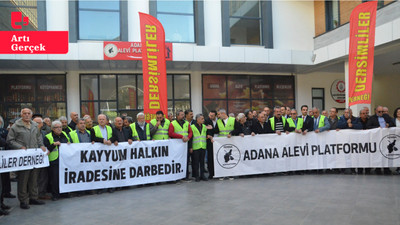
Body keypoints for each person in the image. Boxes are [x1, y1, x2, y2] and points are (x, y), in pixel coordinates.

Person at [6, 108, 47, 209]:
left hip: (34, 156)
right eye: (25, 113)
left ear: (31, 115)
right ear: (21, 115)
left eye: (29, 113)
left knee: (34, 178)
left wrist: (41, 145)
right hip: (23, 157)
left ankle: (33, 197)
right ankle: (23, 200)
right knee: (23, 179)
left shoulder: (35, 125)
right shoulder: (16, 126)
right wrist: (19, 146)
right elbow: (10, 140)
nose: (27, 115)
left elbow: (39, 138)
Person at [44, 120, 71, 201]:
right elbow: (45, 150)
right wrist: (53, 144)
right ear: (52, 128)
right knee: (54, 179)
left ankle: (64, 193)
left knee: (64, 177)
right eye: (57, 127)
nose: (59, 129)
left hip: (64, 160)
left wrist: (69, 143)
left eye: (60, 127)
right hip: (54, 160)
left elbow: (69, 143)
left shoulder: (65, 134)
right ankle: (55, 195)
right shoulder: (48, 137)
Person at [366, 106, 395, 175]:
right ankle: (378, 168)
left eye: (382, 111)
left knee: (386, 152)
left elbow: (393, 124)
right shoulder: (372, 118)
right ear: (376, 111)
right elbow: (368, 126)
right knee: (378, 153)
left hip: (386, 138)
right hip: (377, 138)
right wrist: (377, 128)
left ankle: (386, 168)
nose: (381, 113)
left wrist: (388, 124)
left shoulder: (387, 117)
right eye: (379, 112)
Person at [213, 109, 240, 180]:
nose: (218, 116)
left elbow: (238, 129)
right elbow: (216, 130)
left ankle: (230, 174)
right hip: (221, 143)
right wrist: (211, 129)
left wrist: (231, 133)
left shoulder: (233, 120)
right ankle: (222, 174)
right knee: (222, 158)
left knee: (230, 159)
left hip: (231, 142)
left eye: (219, 114)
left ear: (223, 113)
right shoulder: (218, 121)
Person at [169, 110, 193, 182]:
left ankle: (185, 176)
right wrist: (181, 137)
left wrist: (188, 137)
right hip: (177, 145)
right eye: (181, 115)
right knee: (177, 160)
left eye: (183, 115)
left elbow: (190, 132)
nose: (183, 116)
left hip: (185, 144)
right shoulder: (172, 123)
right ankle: (177, 176)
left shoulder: (186, 123)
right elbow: (171, 133)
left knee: (186, 160)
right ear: (177, 116)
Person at [33, 117, 50, 200]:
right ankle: (33, 194)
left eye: (39, 123)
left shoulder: (44, 133)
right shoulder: (31, 132)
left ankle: (42, 193)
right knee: (33, 177)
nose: (37, 124)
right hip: (33, 158)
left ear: (42, 124)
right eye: (35, 122)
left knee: (43, 176)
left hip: (43, 158)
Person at [189, 114, 208, 182]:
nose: (203, 120)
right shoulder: (192, 127)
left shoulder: (204, 126)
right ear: (197, 119)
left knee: (202, 162)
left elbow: (206, 135)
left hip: (202, 146)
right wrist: (190, 147)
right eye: (202, 119)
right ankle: (197, 176)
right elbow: (190, 138)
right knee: (196, 163)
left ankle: (202, 175)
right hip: (196, 147)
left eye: (203, 118)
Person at [0, 116, 15, 200]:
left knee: (5, 177)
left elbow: (7, 141)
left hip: (5, 157)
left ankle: (6, 192)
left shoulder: (4, 131)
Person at [204, 110, 217, 179]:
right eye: (209, 115)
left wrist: (212, 128)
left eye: (212, 116)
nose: (210, 117)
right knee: (210, 158)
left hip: (218, 141)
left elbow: (217, 130)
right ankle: (211, 173)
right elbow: (205, 131)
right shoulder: (207, 121)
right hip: (210, 142)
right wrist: (208, 136)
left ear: (215, 116)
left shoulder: (219, 121)